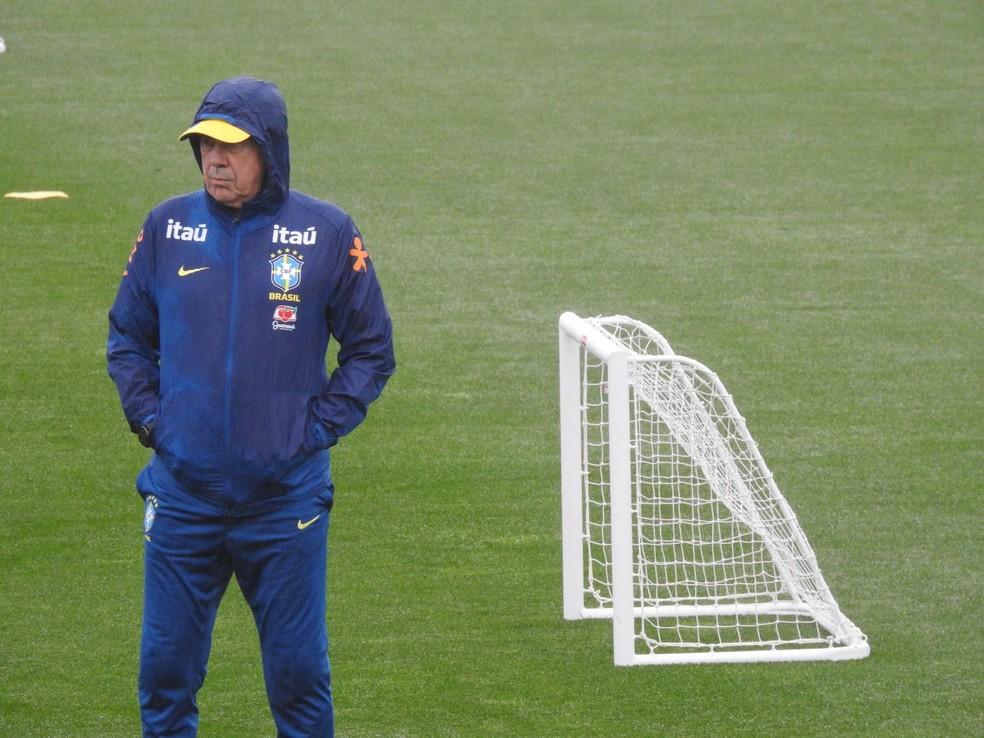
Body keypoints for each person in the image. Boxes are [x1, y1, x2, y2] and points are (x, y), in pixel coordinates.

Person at [107, 76, 395, 738]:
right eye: (205, 144)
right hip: (183, 501)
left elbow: (371, 350)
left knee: (299, 682)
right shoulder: (166, 228)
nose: (215, 159)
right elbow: (126, 337)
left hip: (284, 505)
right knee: (163, 677)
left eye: (232, 146)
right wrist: (153, 421)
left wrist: (310, 429)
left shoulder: (326, 234)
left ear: (269, 150)